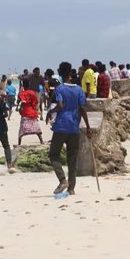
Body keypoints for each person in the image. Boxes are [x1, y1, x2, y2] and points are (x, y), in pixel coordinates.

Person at [46, 61, 91, 196]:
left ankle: (62, 180)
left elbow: (59, 104)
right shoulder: (78, 89)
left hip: (61, 126)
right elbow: (82, 109)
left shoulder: (59, 89)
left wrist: (50, 112)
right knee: (72, 157)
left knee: (54, 154)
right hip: (74, 127)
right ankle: (71, 188)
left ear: (60, 73)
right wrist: (88, 127)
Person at [17, 78, 43, 145]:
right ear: (29, 85)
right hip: (32, 112)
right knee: (36, 128)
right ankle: (41, 141)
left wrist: (20, 109)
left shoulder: (21, 94)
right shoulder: (32, 92)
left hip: (25, 112)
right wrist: (35, 109)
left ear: (23, 85)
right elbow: (36, 102)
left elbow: (21, 103)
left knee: (22, 129)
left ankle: (19, 143)